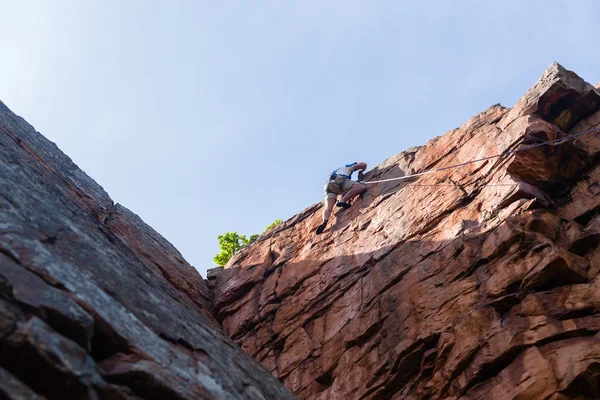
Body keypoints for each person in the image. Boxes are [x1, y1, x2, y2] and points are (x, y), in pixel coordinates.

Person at [316, 162, 368, 234]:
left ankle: (324, 220)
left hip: (328, 186)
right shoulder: (348, 167)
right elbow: (364, 165)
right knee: (360, 187)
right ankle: (342, 201)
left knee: (328, 208)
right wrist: (361, 171)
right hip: (339, 179)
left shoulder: (339, 169)